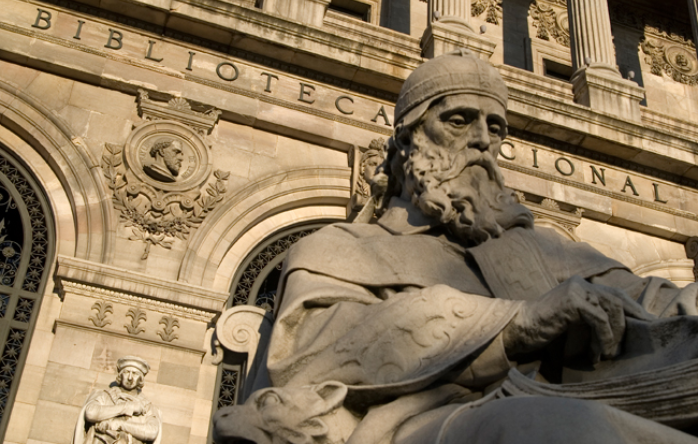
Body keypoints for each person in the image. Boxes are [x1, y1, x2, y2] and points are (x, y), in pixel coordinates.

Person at [214, 51, 698, 444]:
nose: (483, 141)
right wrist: (519, 322)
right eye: (460, 121)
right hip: (423, 422)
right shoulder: (344, 246)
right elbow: (310, 352)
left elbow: (653, 300)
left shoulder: (544, 249)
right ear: (407, 142)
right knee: (555, 429)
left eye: (496, 128)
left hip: (595, 398)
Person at [74, 356, 161, 444]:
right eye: (127, 372)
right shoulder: (104, 395)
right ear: (120, 375)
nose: (130, 378)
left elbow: (152, 432)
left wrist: (119, 424)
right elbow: (91, 413)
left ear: (141, 379)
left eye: (135, 373)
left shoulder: (147, 406)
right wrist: (127, 407)